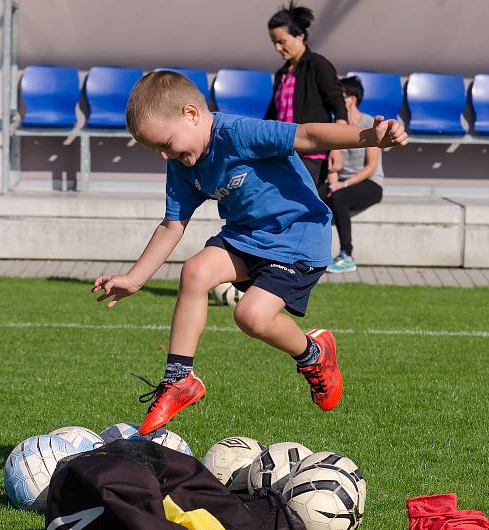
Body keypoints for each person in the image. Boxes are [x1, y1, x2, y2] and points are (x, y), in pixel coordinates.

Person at [92, 71, 407, 435]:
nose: (165, 155)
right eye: (157, 150)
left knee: (251, 317)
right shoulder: (182, 163)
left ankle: (313, 354)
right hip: (245, 238)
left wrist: (370, 137)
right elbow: (172, 224)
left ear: (191, 114)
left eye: (166, 143)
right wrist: (134, 278)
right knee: (195, 271)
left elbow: (306, 134)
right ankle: (179, 379)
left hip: (297, 239)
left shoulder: (239, 134)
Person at [265, 2, 348, 191]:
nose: (277, 48)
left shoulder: (319, 65)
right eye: (274, 43)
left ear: (300, 36)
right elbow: (271, 116)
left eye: (282, 41)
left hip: (312, 155)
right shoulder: (281, 74)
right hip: (284, 154)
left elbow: (339, 107)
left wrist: (337, 148)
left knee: (300, 206)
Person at [321, 76, 385, 273]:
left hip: (369, 183)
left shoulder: (368, 123)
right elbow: (333, 164)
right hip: (340, 182)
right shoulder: (335, 124)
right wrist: (333, 183)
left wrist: (344, 185)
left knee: (339, 197)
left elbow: (371, 167)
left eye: (341, 96)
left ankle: (346, 255)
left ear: (352, 99)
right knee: (313, 197)